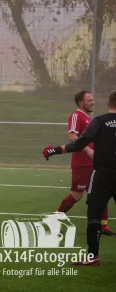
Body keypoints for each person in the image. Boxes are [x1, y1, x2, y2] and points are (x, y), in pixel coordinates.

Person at [42, 89, 116, 266]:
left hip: (103, 176)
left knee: (93, 215)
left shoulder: (99, 121)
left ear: (108, 104)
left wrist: (55, 150)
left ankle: (93, 256)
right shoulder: (85, 117)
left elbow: (79, 143)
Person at [56, 91, 114, 236]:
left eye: (93, 100)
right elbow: (72, 136)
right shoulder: (76, 115)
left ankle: (103, 226)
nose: (92, 102)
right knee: (77, 195)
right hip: (82, 163)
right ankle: (56, 218)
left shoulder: (90, 118)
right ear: (81, 102)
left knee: (102, 192)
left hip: (95, 164)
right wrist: (88, 150)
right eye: (89, 100)